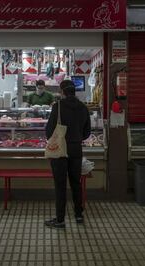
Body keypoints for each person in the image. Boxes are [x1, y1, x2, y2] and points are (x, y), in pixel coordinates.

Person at [45, 80, 91, 229]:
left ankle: (60, 220)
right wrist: (76, 138)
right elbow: (87, 133)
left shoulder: (57, 107)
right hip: (76, 149)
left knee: (60, 185)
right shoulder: (83, 107)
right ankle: (78, 215)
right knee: (76, 183)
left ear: (62, 91)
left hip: (60, 150)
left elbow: (49, 131)